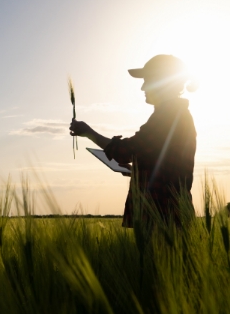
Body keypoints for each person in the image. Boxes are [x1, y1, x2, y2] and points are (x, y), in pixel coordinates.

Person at [69, 54, 197, 227]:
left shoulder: (168, 116)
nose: (143, 87)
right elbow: (161, 160)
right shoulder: (173, 114)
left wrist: (88, 132)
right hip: (167, 212)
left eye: (148, 80)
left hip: (162, 212)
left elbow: (129, 150)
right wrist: (136, 171)